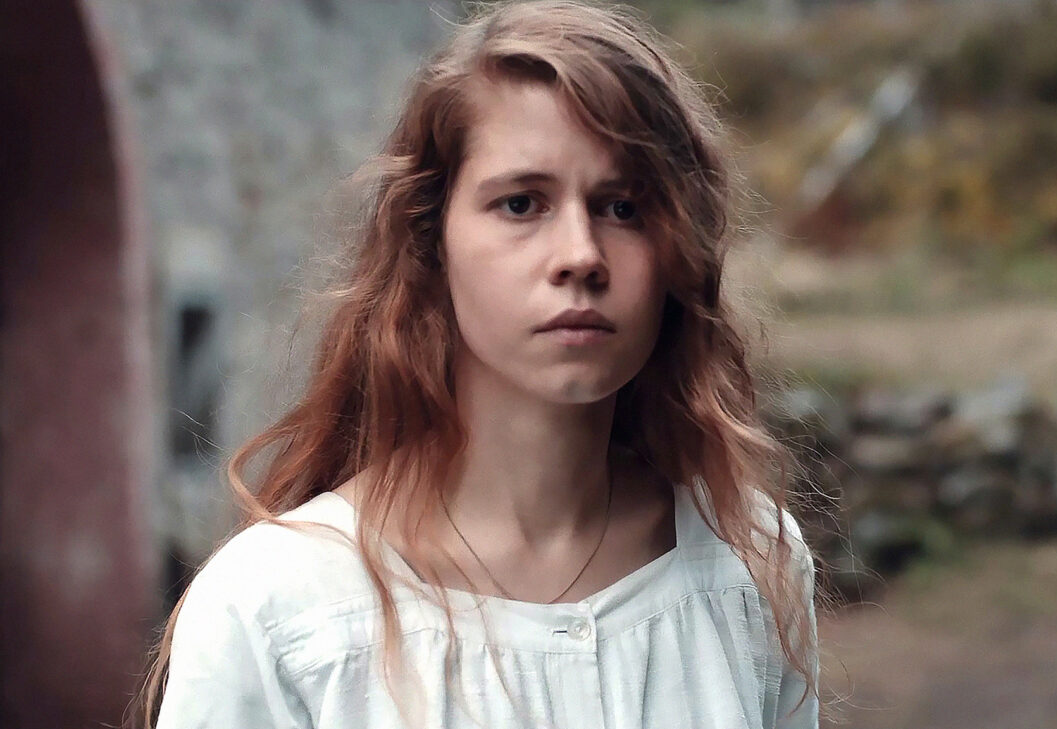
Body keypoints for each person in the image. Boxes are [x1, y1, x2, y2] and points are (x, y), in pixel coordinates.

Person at [134, 0, 820, 727]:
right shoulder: (281, 611)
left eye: (623, 207)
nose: (581, 255)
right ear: (432, 243)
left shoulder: (747, 563)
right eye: (522, 204)